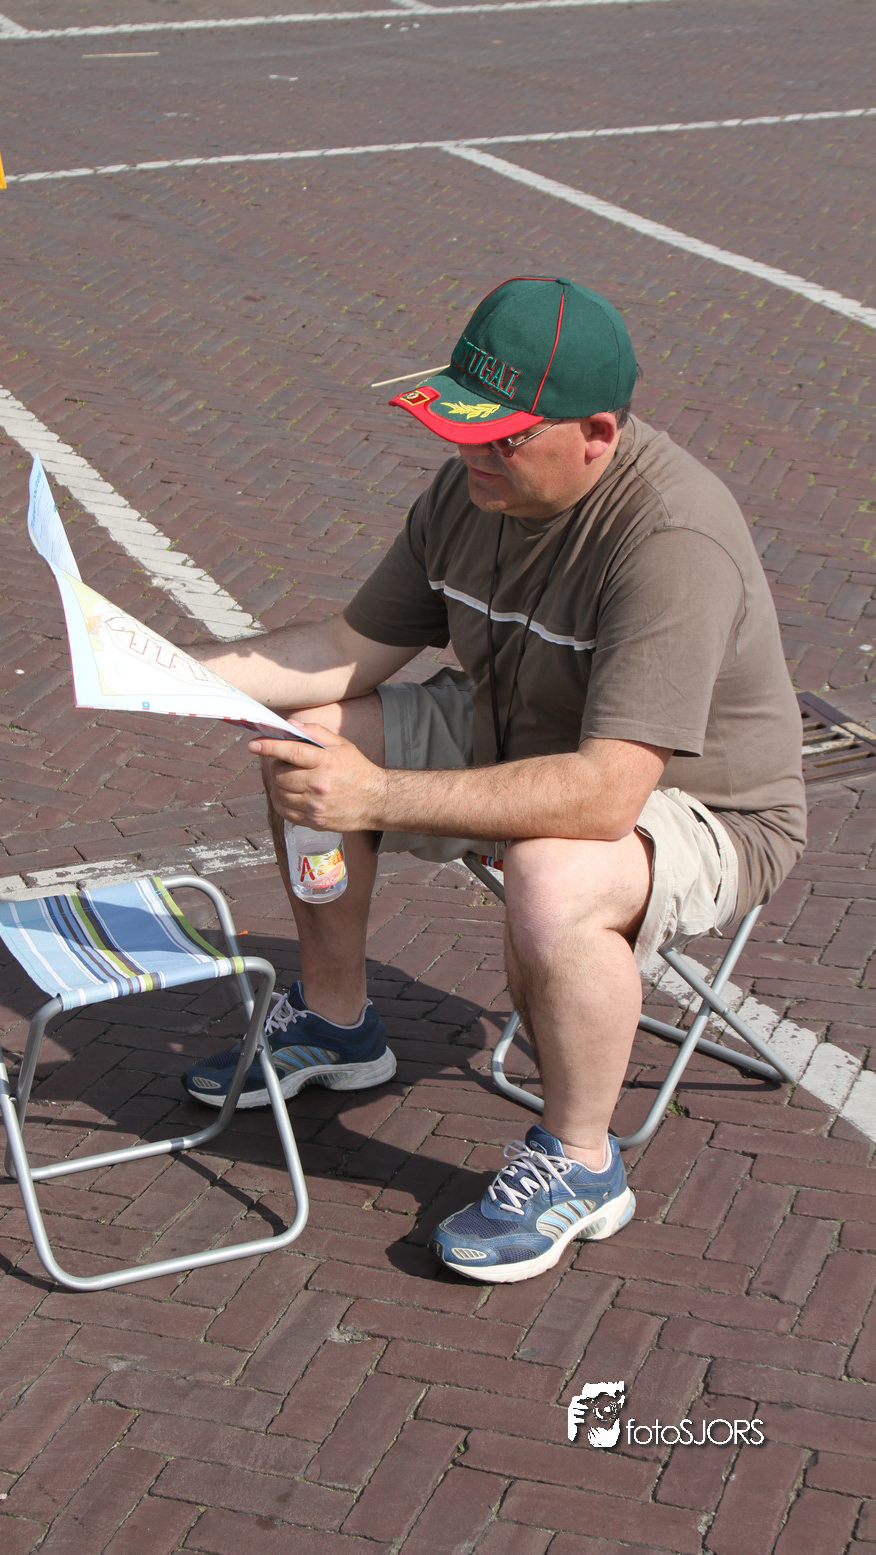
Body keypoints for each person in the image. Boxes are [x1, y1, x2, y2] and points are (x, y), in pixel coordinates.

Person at [184, 274, 806, 1284]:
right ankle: (336, 1021)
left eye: (501, 436)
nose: (468, 451)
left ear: (595, 434)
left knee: (552, 870)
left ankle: (580, 1161)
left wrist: (376, 797)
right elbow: (345, 648)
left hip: (699, 804)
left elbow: (604, 794)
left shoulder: (671, 539)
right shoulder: (471, 489)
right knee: (309, 736)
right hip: (518, 728)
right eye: (458, 424)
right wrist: (160, 670)